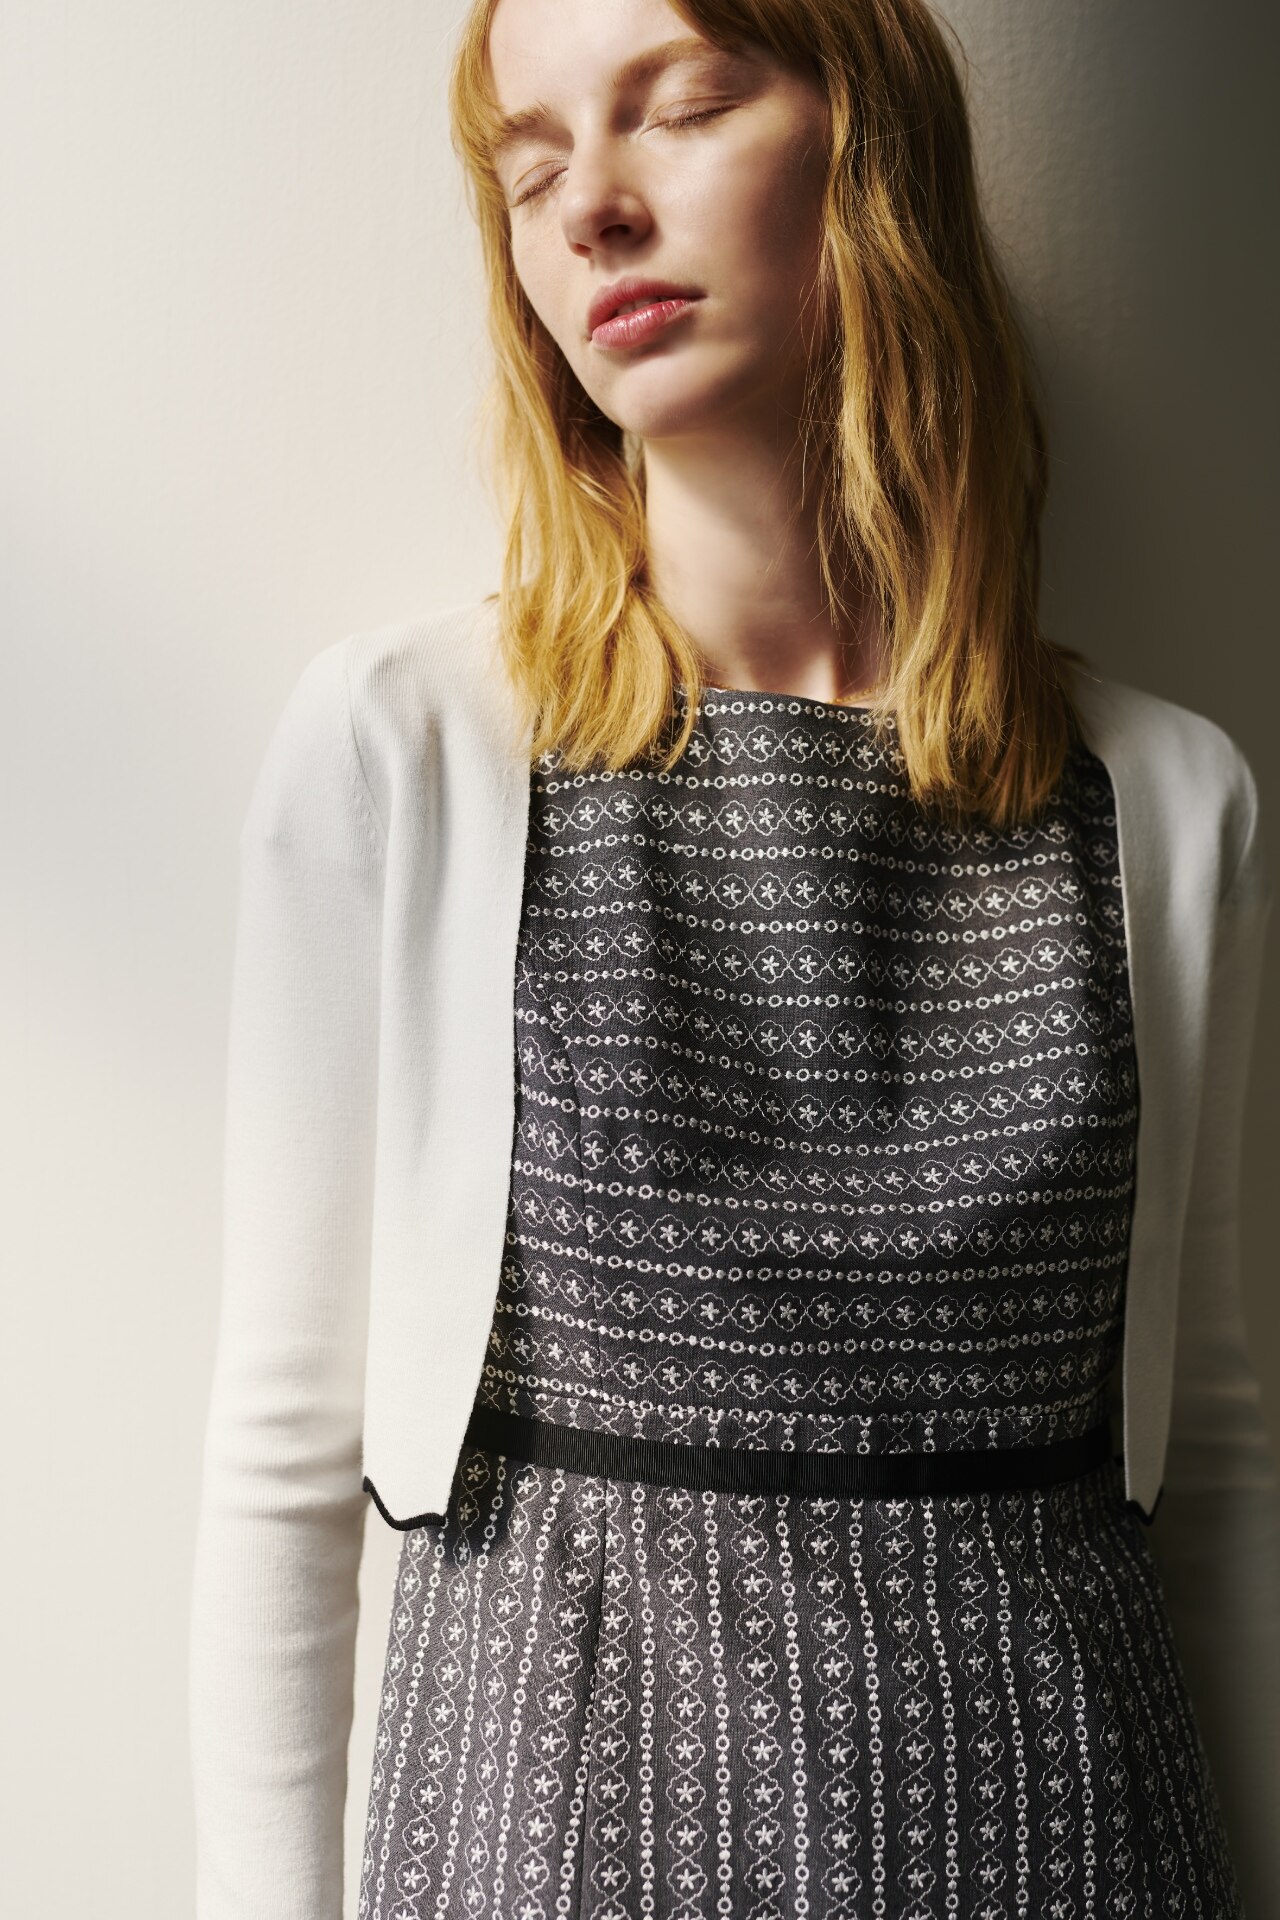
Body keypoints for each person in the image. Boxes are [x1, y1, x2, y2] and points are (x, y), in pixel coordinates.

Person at [188, 1, 1280, 1915]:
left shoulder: (1168, 800)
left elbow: (1211, 1461)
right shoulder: (411, 746)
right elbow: (289, 1450)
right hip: (553, 1822)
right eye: (531, 169)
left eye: (680, 107)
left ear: (871, 143)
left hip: (1070, 1823)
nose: (590, 209)